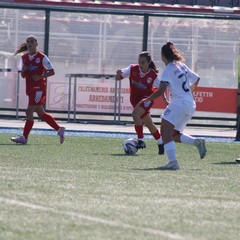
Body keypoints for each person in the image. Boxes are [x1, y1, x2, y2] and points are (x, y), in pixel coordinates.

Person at [137, 42, 207, 170]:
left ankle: (173, 162)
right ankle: (196, 142)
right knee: (174, 134)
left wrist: (146, 99)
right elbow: (197, 78)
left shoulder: (168, 70)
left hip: (179, 104)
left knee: (165, 132)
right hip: (190, 104)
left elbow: (160, 91)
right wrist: (187, 93)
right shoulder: (181, 65)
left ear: (163, 56)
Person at [11, 35, 65, 144]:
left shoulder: (42, 57)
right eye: (28, 42)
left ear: (36, 43)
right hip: (30, 88)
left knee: (29, 111)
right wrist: (24, 71)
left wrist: (40, 76)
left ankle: (24, 138)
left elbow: (52, 71)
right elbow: (23, 76)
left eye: (32, 41)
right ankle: (59, 129)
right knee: (40, 113)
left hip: (39, 89)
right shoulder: (24, 58)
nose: (30, 43)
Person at [115, 51, 167, 154]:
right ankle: (161, 144)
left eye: (143, 62)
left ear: (148, 62)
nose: (140, 65)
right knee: (149, 124)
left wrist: (165, 99)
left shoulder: (152, 75)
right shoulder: (132, 69)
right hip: (135, 101)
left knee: (135, 114)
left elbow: (162, 88)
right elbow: (118, 78)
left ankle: (141, 141)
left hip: (146, 100)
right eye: (139, 62)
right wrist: (117, 74)